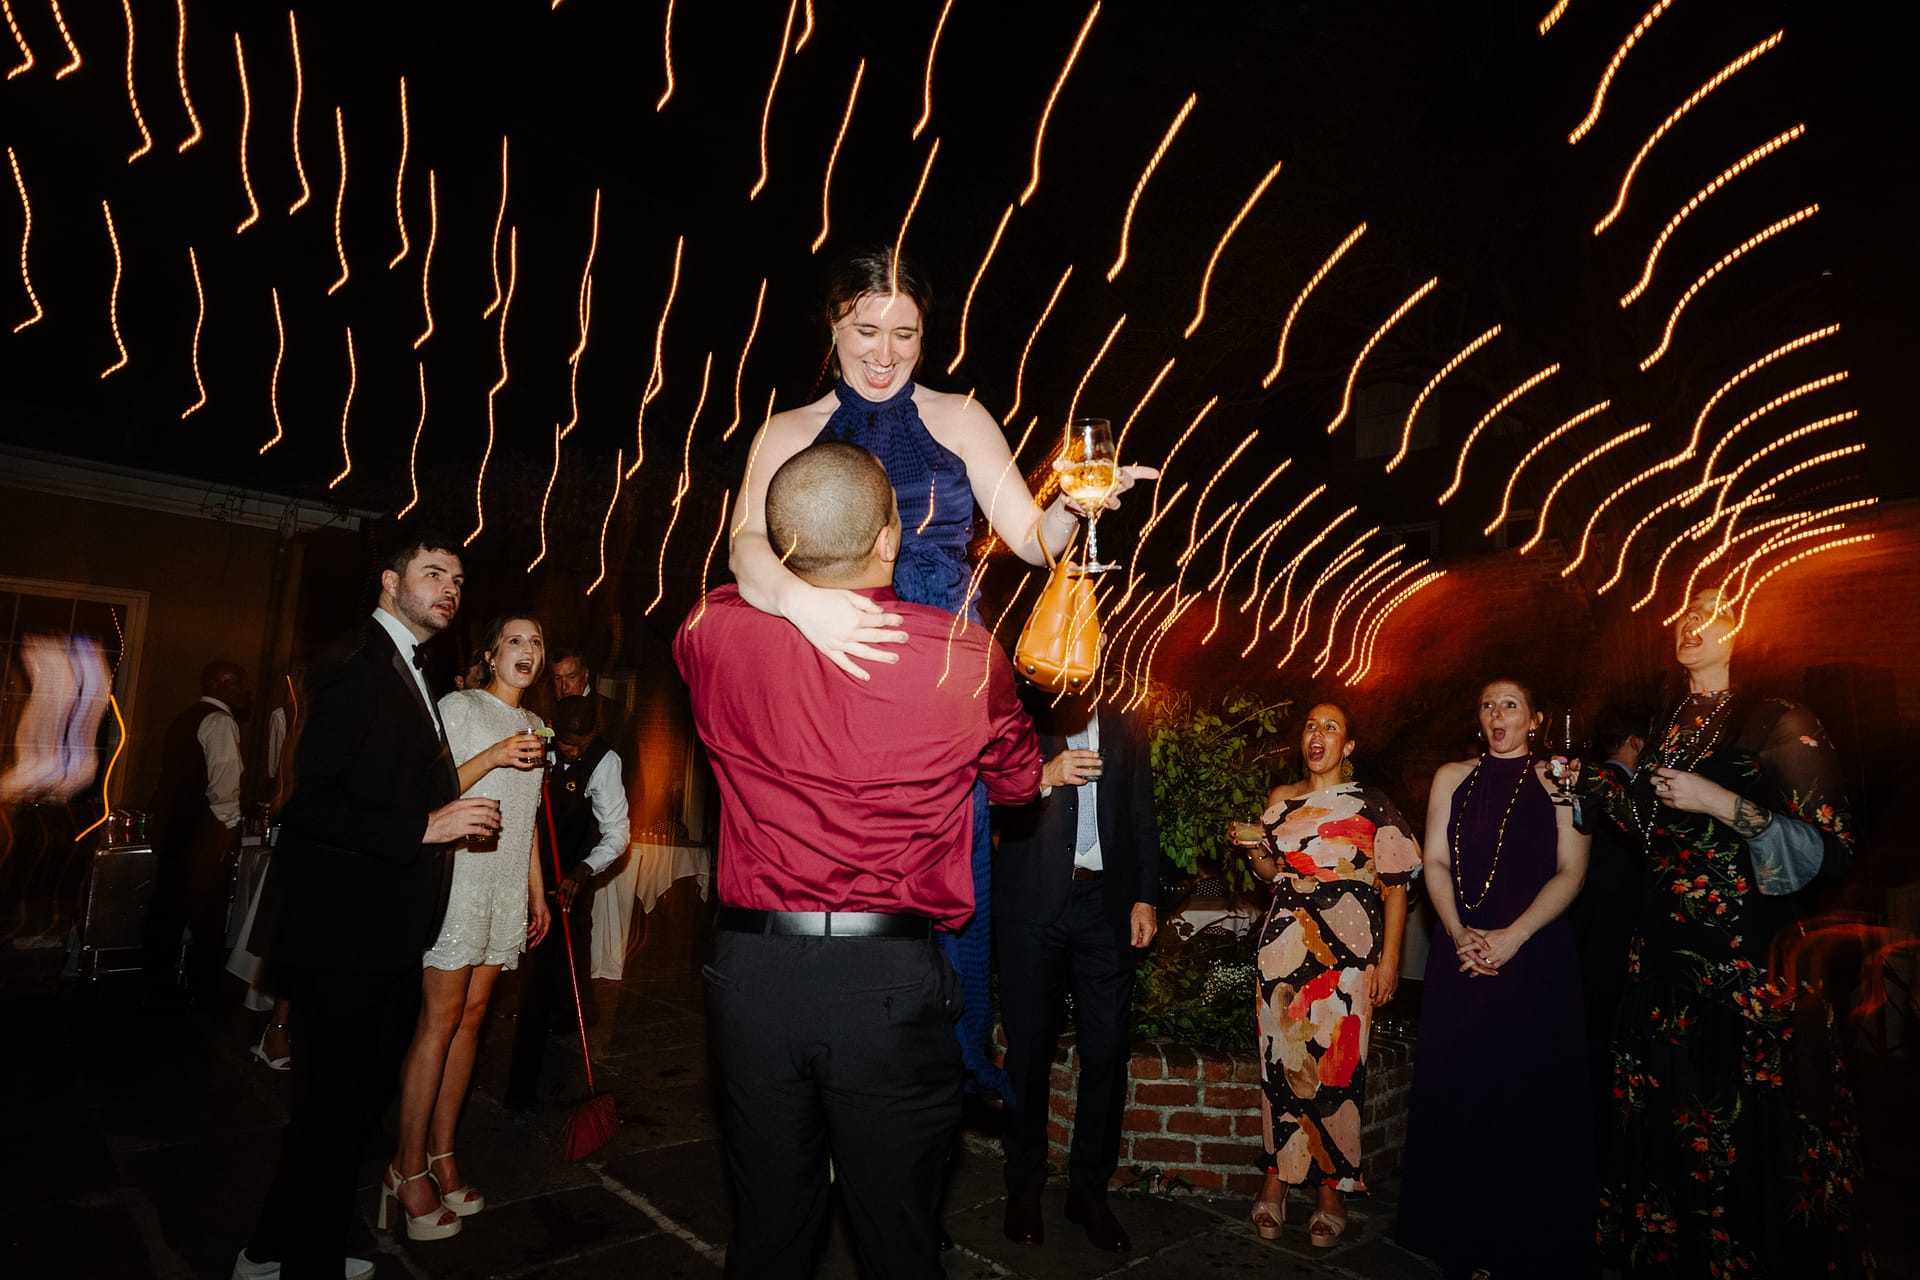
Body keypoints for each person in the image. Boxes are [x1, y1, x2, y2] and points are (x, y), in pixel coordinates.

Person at [728, 246, 1154, 1105]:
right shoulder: (788, 431)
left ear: (928, 336)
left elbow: (1031, 541)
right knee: (840, 867)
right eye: (866, 330)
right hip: (837, 668)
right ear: (834, 326)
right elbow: (744, 548)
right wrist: (805, 607)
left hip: (943, 684)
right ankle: (826, 1050)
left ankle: (932, 1069)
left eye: (906, 334)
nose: (885, 353)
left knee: (950, 874)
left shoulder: (960, 417)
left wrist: (1077, 503)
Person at [678, 441, 1044, 1279]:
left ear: (780, 545)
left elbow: (736, 571)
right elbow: (1020, 786)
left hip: (754, 978)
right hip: (888, 987)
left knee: (767, 1231)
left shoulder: (711, 633)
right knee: (898, 1233)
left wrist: (781, 588)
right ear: (889, 538)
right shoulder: (962, 654)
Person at [236, 530, 501, 1280]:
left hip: (381, 927)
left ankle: (274, 1251)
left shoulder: (409, 667)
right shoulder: (355, 665)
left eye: (458, 579)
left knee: (344, 1109)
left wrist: (442, 812)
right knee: (334, 1109)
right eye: (433, 573)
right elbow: (308, 804)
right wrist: (424, 827)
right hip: (342, 930)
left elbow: (391, 781)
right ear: (390, 582)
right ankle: (306, 1262)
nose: (450, 589)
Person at [1578, 590, 1864, 1276]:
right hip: (1663, 965)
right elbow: (1656, 831)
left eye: (1712, 612)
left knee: (1745, 1131)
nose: (1691, 622)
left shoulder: (1780, 718)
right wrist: (1592, 788)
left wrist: (1722, 802)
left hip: (1742, 966)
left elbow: (1832, 847)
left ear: (1744, 631)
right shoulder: (1671, 722)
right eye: (1685, 611)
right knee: (1674, 1129)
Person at [1396, 678, 1593, 1279]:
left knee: (1521, 1092)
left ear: (1534, 720)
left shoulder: (1562, 779)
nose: (1496, 713)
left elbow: (1572, 871)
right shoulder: (1451, 777)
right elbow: (1434, 860)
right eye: (1487, 704)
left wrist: (1514, 936)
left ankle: (1520, 1240)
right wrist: (1458, 932)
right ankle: (1458, 1235)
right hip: (1461, 954)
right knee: (1464, 1089)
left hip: (1534, 954)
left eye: (1510, 704)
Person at [382, 614, 552, 1240]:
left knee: (474, 1018)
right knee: (440, 1019)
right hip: (460, 878)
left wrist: (536, 892)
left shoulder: (535, 725)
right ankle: (404, 1168)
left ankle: (442, 1153)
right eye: (515, 640)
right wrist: (496, 754)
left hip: (505, 884)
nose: (527, 650)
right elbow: (430, 791)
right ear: (491, 654)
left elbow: (526, 815)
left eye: (536, 642)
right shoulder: (460, 707)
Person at [1226, 703, 1419, 1248]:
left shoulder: (1371, 803)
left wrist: (1390, 960)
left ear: (1348, 746)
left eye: (1331, 727)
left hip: (1350, 952)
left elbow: (1396, 885)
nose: (1318, 734)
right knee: (1281, 1063)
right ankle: (1276, 1178)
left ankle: (1332, 1189)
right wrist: (1254, 849)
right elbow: (1271, 874)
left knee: (1339, 1070)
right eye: (1311, 725)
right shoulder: (1281, 799)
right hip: (1284, 947)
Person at [992, 685, 1158, 1253]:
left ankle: (1088, 1192)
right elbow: (980, 787)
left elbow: (1140, 809)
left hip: (1105, 905)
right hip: (1030, 901)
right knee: (1029, 1050)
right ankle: (1023, 1186)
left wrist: (1145, 896)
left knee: (1107, 1050)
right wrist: (1044, 774)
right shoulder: (1017, 706)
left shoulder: (1125, 714)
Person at [504, 693, 630, 1110]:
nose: (572, 752)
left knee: (547, 969)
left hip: (567, 876)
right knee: (526, 972)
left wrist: (584, 869)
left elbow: (617, 833)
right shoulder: (535, 746)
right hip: (521, 867)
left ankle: (525, 1084)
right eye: (566, 743)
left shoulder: (604, 761)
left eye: (581, 744)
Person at [1568, 701, 1648, 1161]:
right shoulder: (1624, 792)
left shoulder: (1590, 783)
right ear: (1635, 742)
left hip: (1583, 922)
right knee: (1600, 1030)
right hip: (1611, 928)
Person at [145, 660, 251, 993]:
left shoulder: (184, 718)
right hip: (202, 834)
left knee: (168, 911)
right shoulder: (220, 721)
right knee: (207, 915)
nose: (246, 691)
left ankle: (155, 986)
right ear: (219, 685)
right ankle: (203, 990)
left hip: (174, 830)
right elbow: (224, 785)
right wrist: (229, 828)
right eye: (238, 684)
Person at [549, 646, 632, 788]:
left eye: (571, 677)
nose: (564, 687)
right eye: (558, 678)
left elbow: (628, 772)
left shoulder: (612, 713)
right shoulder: (547, 712)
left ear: (585, 675)